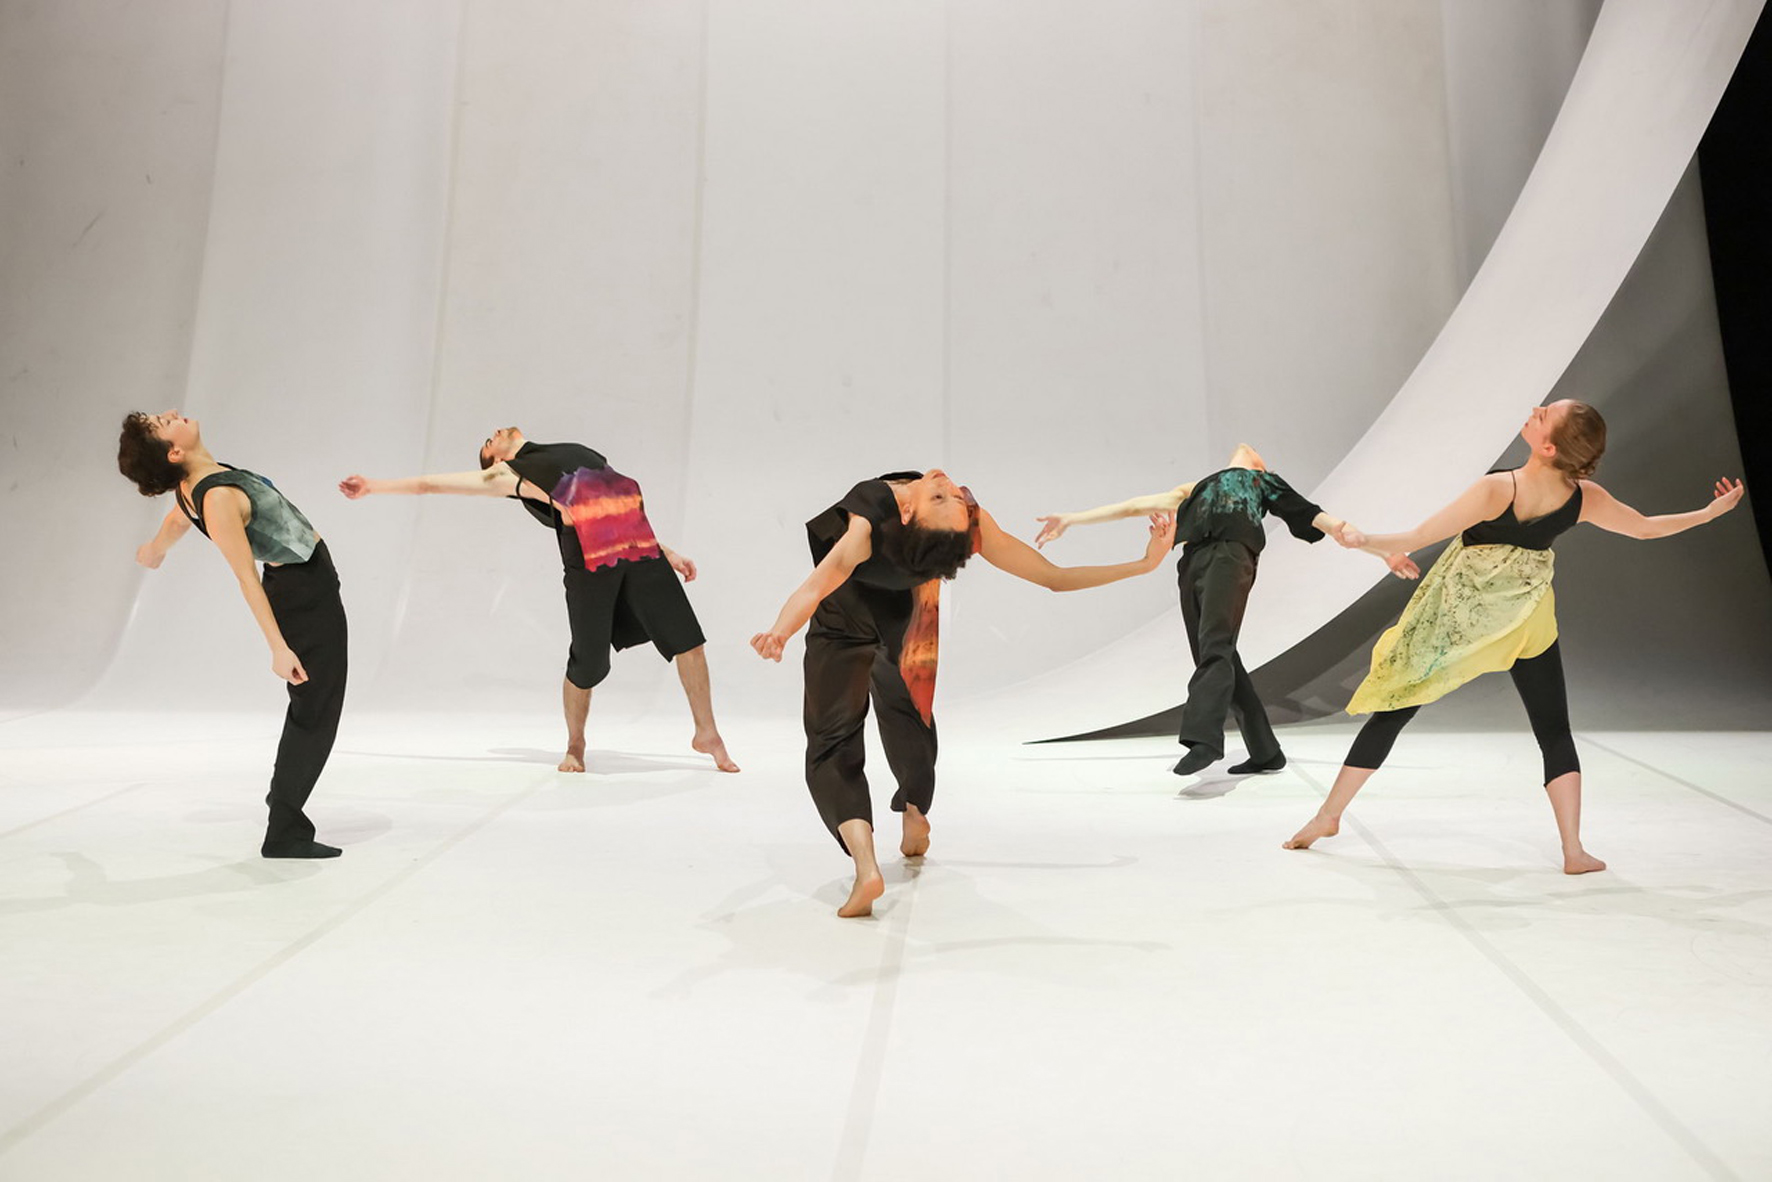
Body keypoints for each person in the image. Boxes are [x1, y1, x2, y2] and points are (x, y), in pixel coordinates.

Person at [1283, 400, 1746, 873]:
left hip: (1461, 622)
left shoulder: (1496, 489)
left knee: (1392, 713)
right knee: (1554, 731)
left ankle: (1328, 816)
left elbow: (1419, 535)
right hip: (1525, 622)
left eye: (1545, 414)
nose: (1535, 409)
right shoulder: (1584, 497)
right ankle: (1573, 851)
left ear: (1547, 446)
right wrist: (1708, 513)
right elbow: (1645, 529)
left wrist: (1368, 543)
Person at [752, 468, 1175, 918]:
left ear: (910, 512)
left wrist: (781, 630)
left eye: (944, 494)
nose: (948, 482)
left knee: (831, 741)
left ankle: (867, 866)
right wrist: (1144, 564)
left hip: (842, 620)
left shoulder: (872, 515)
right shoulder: (962, 520)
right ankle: (915, 811)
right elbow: (1052, 577)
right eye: (948, 494)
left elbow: (820, 583)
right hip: (906, 627)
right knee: (908, 713)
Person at [339, 427, 736, 775]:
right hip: (591, 565)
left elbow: (616, 510)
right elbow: (431, 484)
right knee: (589, 661)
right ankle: (575, 743)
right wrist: (374, 485)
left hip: (640, 551)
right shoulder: (507, 475)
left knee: (689, 640)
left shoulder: (576, 451)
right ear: (492, 460)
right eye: (486, 443)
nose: (492, 433)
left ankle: (707, 733)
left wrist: (668, 553)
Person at [1036, 444, 1397, 776]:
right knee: (1216, 654)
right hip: (1191, 561)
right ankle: (1265, 751)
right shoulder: (1192, 489)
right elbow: (1133, 506)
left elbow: (1318, 517)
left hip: (1230, 556)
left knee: (1215, 646)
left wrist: (1377, 548)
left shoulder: (1261, 481)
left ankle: (1204, 739)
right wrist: (1072, 518)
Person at [118, 410, 347, 858]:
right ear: (175, 451)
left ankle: (284, 816)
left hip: (305, 587)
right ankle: (284, 830)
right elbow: (245, 576)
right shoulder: (218, 497)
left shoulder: (198, 483)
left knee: (315, 708)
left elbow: (178, 520)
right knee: (315, 712)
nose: (169, 413)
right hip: (303, 595)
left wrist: (154, 551)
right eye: (161, 423)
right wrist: (278, 648)